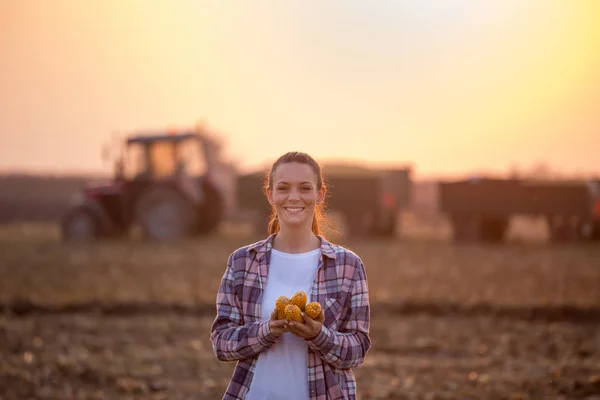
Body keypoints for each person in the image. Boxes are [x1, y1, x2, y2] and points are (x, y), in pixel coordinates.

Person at [210, 151, 371, 400]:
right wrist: (267, 331)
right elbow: (222, 343)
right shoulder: (242, 262)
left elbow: (358, 350)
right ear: (270, 194)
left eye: (305, 188)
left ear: (320, 195)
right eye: (283, 188)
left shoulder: (348, 265)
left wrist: (318, 335)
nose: (294, 197)